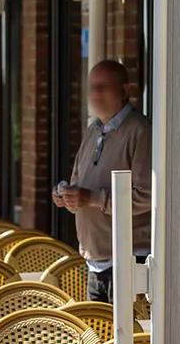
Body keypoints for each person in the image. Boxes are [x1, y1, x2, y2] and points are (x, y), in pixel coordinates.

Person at [51, 60, 151, 303]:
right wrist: (68, 196)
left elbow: (148, 195)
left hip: (127, 261)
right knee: (100, 339)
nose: (95, 93)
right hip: (96, 263)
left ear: (125, 91)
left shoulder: (141, 130)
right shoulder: (93, 130)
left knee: (126, 340)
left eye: (103, 86)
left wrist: (92, 198)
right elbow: (79, 183)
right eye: (92, 87)